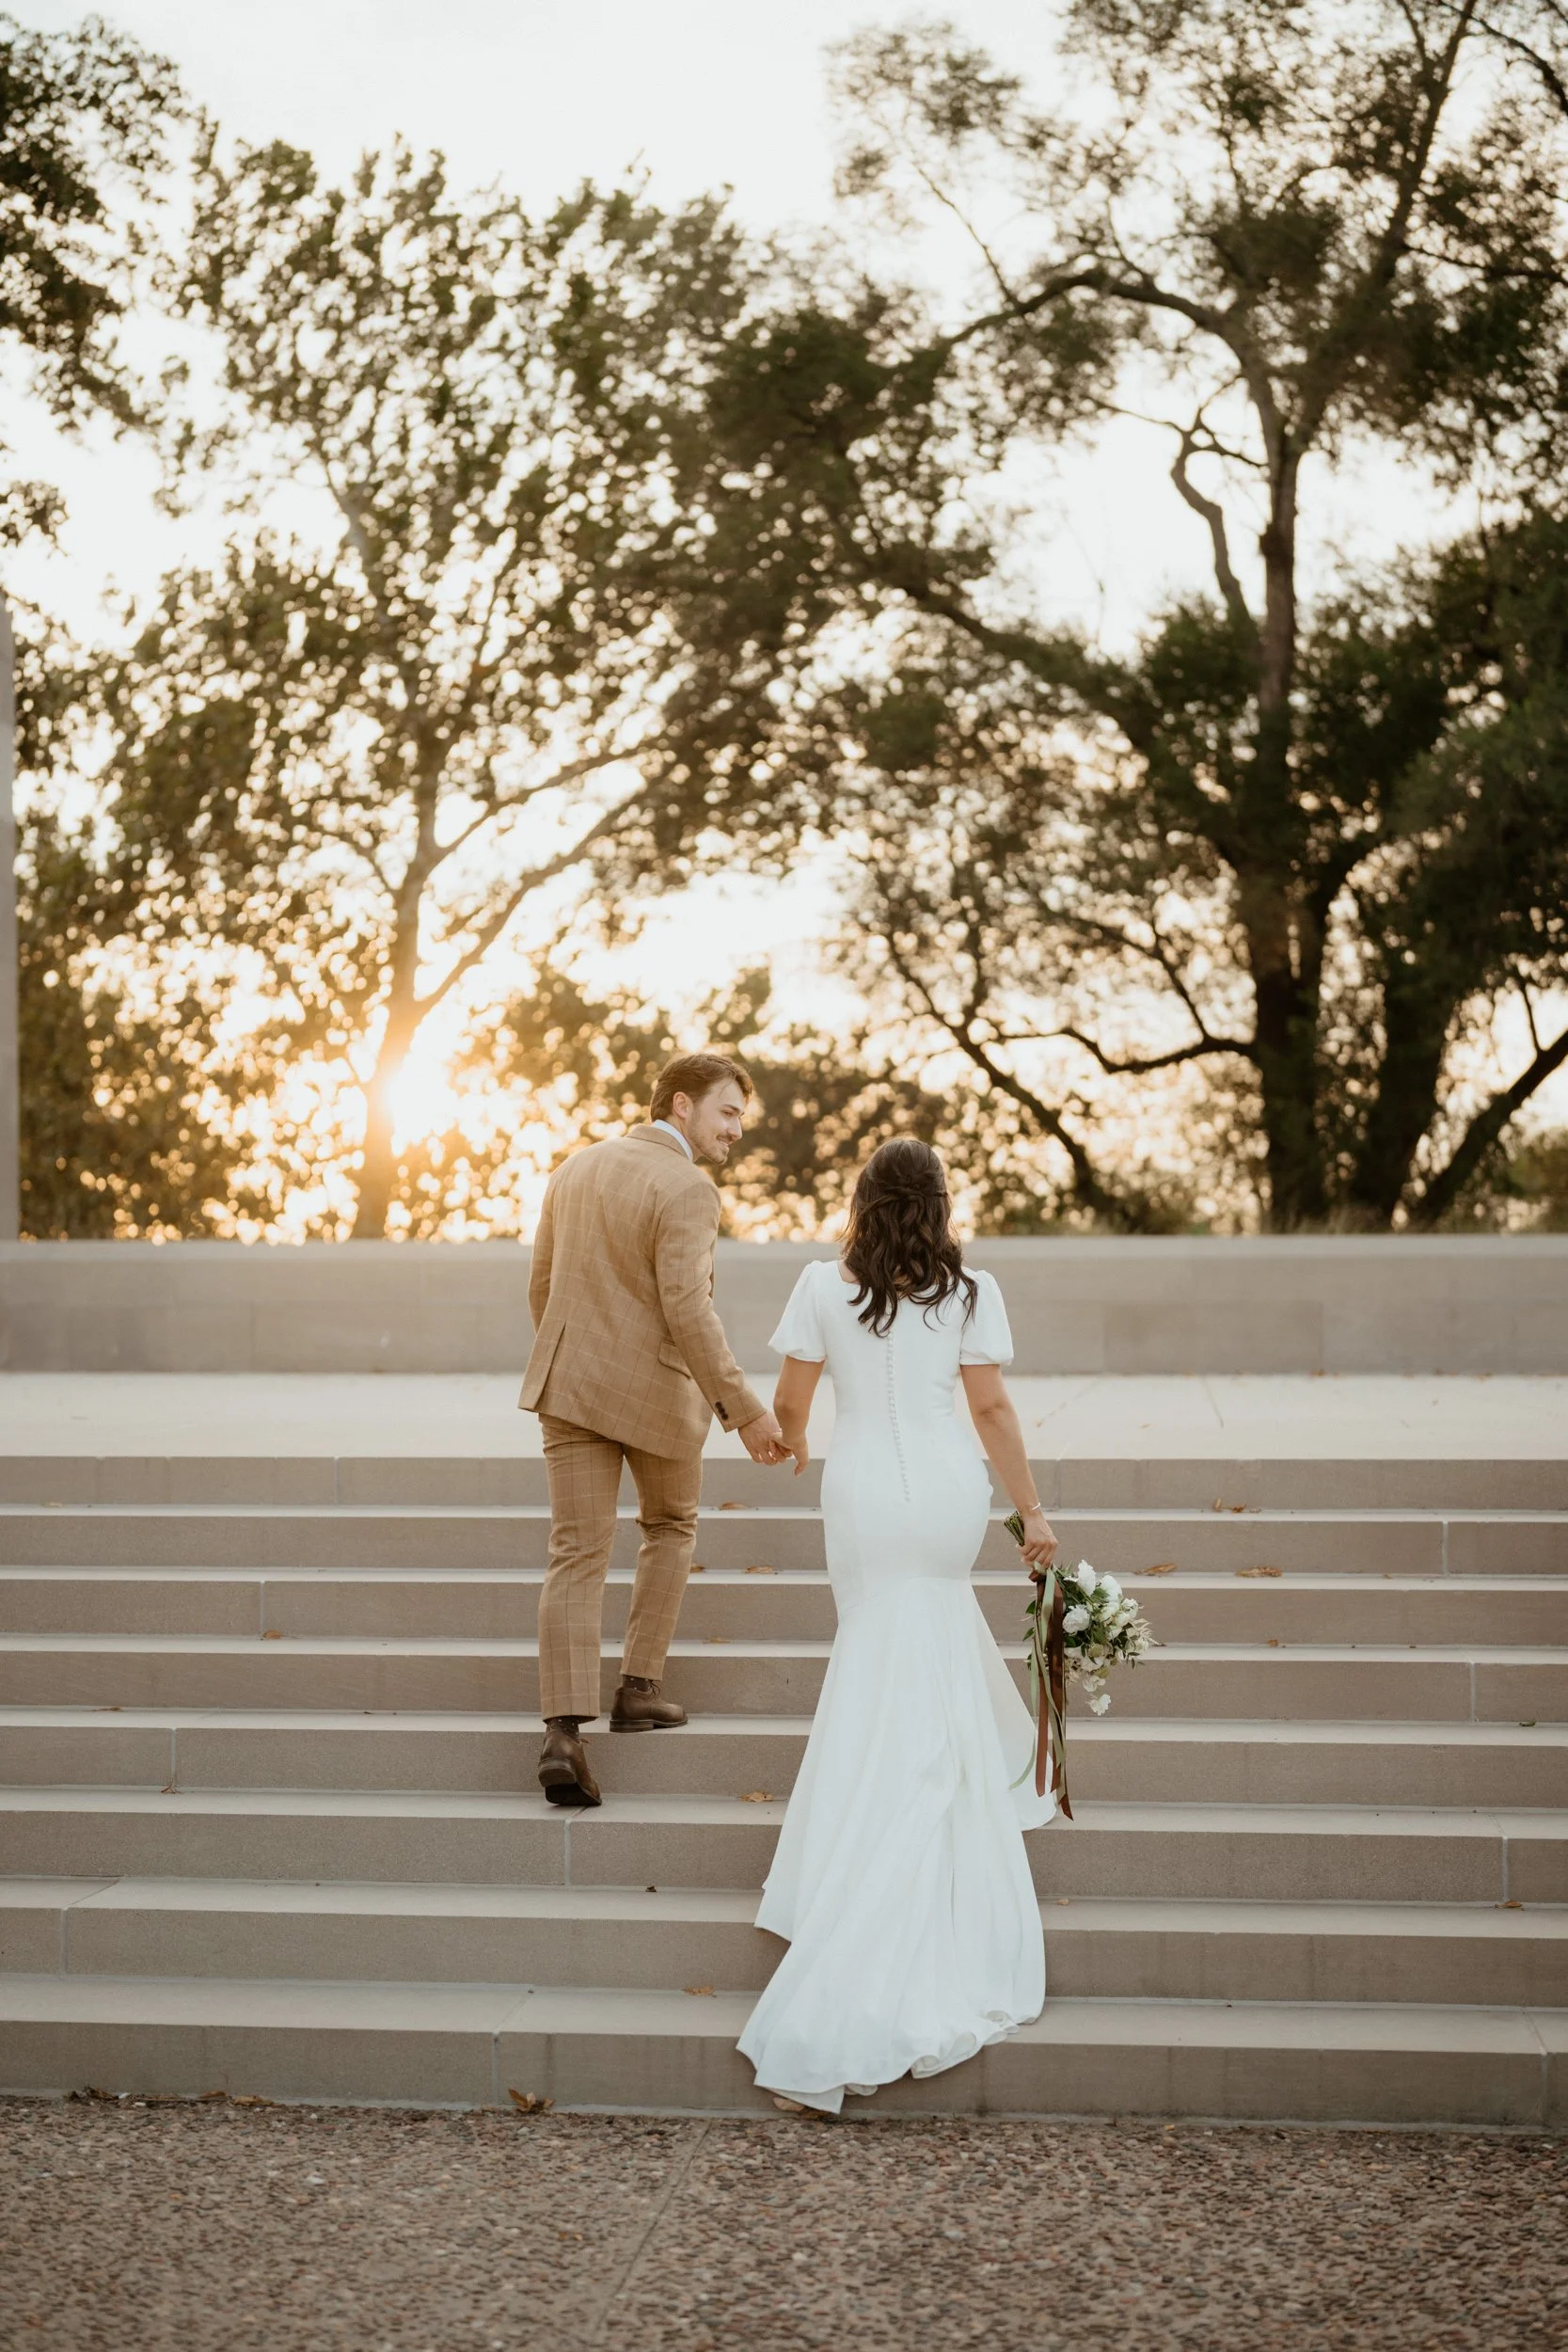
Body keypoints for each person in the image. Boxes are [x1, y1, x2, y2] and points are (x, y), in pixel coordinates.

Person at [736, 1136, 1060, 2113]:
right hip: (949, 1496)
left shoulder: (817, 1287)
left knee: (879, 1645)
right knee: (927, 1631)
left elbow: (792, 1409)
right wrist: (1030, 1513)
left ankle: (866, 1828)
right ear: (938, 1202)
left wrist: (784, 1442)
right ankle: (929, 1775)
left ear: (861, 1200)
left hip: (866, 1494)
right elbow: (991, 1409)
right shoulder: (970, 1292)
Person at [519, 1052, 789, 1808]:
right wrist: (744, 1409)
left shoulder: (574, 1168)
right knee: (670, 1524)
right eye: (728, 1112)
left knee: (575, 1551)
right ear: (681, 1105)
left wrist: (575, 1360)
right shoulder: (688, 1188)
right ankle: (638, 1688)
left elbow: (540, 1285)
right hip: (656, 1399)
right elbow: (688, 1308)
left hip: (568, 1388)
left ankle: (562, 1735)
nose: (736, 1130)